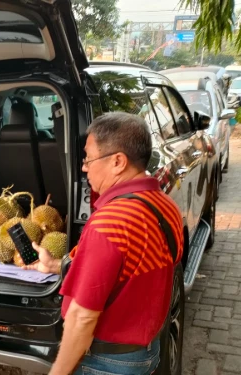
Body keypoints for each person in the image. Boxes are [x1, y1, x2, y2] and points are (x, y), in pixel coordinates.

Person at [22, 112, 184, 375]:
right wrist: (56, 266)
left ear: (118, 161)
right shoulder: (165, 206)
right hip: (146, 352)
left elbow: (82, 317)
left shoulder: (110, 222)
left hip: (106, 362)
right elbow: (129, 274)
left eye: (88, 158)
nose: (84, 167)